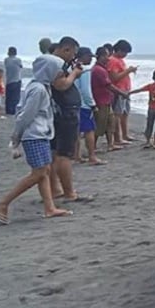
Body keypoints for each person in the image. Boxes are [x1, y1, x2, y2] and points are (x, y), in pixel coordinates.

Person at [0, 55, 72, 224]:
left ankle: (49, 208)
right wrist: (15, 139)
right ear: (49, 71)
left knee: (44, 172)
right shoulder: (38, 90)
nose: (61, 75)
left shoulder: (42, 87)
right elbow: (25, 116)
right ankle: (3, 203)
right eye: (59, 72)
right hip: (34, 136)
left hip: (41, 134)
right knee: (38, 173)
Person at [49, 37, 92, 203]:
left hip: (60, 112)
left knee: (54, 154)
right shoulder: (56, 64)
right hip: (65, 113)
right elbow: (61, 85)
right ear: (66, 49)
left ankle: (56, 189)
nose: (73, 57)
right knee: (64, 154)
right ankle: (69, 193)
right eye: (72, 53)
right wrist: (75, 74)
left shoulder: (52, 63)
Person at [72, 47, 105, 166]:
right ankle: (92, 156)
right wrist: (92, 104)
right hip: (84, 104)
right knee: (89, 130)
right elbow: (85, 90)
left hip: (73, 102)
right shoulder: (85, 70)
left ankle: (76, 155)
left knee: (76, 131)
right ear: (84, 56)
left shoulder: (72, 67)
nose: (91, 59)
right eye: (89, 57)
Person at [91, 47, 128, 153]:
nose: (108, 58)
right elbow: (109, 85)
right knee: (99, 125)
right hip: (101, 101)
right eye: (107, 55)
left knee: (110, 123)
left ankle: (110, 144)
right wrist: (122, 93)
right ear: (101, 56)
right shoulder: (99, 70)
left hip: (106, 100)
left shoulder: (101, 69)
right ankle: (92, 147)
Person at [108, 39, 137, 146]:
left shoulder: (120, 60)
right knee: (117, 115)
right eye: (125, 52)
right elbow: (114, 78)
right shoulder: (113, 60)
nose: (125, 55)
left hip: (125, 90)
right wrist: (128, 71)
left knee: (125, 113)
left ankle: (125, 134)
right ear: (119, 50)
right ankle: (117, 138)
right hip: (118, 91)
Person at [129, 69, 155, 149]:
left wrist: (129, 93)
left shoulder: (150, 86)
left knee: (149, 124)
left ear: (153, 77)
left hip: (151, 108)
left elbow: (140, 90)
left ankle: (148, 141)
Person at [4, 47, 23, 115]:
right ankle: (13, 111)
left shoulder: (6, 60)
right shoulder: (18, 60)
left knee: (8, 96)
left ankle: (8, 110)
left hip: (9, 80)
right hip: (16, 80)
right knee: (15, 97)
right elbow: (21, 66)